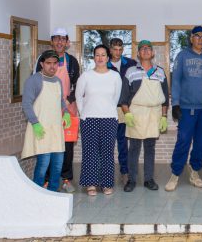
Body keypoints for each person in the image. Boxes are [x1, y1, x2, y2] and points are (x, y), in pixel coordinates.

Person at [165, 26, 202, 192]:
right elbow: (175, 81)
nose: (201, 39)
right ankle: (175, 174)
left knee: (201, 144)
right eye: (197, 36)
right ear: (191, 38)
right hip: (186, 109)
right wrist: (175, 104)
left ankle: (194, 172)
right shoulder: (182, 56)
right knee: (183, 141)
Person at [120, 40, 169, 192]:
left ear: (153, 53)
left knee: (150, 147)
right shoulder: (131, 72)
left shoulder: (160, 72)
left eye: (149, 48)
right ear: (138, 54)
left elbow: (165, 98)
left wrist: (164, 116)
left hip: (154, 113)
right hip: (136, 113)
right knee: (134, 148)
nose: (146, 51)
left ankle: (148, 179)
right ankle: (131, 180)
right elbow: (124, 96)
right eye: (143, 49)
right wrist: (127, 113)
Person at [36, 27, 80, 193]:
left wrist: (68, 100)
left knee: (67, 146)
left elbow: (78, 84)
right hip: (48, 110)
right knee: (48, 144)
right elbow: (37, 82)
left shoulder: (72, 62)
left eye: (63, 39)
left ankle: (67, 179)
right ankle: (47, 180)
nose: (60, 42)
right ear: (51, 42)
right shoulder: (42, 59)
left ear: (67, 42)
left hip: (68, 109)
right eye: (56, 38)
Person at [75, 44, 122, 196]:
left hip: (109, 119)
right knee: (90, 152)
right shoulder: (86, 76)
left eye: (103, 55)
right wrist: (84, 113)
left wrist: (107, 109)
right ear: (93, 57)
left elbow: (116, 98)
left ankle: (107, 184)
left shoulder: (115, 76)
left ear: (108, 58)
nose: (100, 58)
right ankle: (91, 184)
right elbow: (78, 97)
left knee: (107, 152)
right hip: (89, 119)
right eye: (97, 55)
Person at [22, 50, 72, 192]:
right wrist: (35, 123)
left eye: (55, 63)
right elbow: (26, 104)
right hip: (41, 129)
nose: (52, 66)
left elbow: (61, 101)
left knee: (57, 164)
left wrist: (66, 113)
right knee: (43, 164)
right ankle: (38, 193)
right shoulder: (34, 81)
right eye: (48, 63)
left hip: (56, 129)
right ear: (42, 64)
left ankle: (53, 192)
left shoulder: (57, 81)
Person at [107, 37, 137, 185]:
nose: (117, 52)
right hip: (108, 108)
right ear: (110, 49)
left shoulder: (130, 63)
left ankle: (125, 170)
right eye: (115, 49)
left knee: (123, 141)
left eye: (120, 49)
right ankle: (107, 171)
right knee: (108, 141)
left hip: (124, 107)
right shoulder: (104, 64)